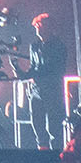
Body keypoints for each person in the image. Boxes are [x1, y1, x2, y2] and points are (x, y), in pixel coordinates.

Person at [26, 12, 67, 151]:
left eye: (39, 25)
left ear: (48, 27)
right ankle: (42, 151)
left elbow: (55, 68)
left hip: (52, 90)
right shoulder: (34, 46)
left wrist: (34, 74)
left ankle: (56, 155)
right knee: (37, 123)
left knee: (54, 126)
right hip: (37, 90)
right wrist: (19, 71)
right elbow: (33, 67)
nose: (37, 28)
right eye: (36, 25)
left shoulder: (58, 46)